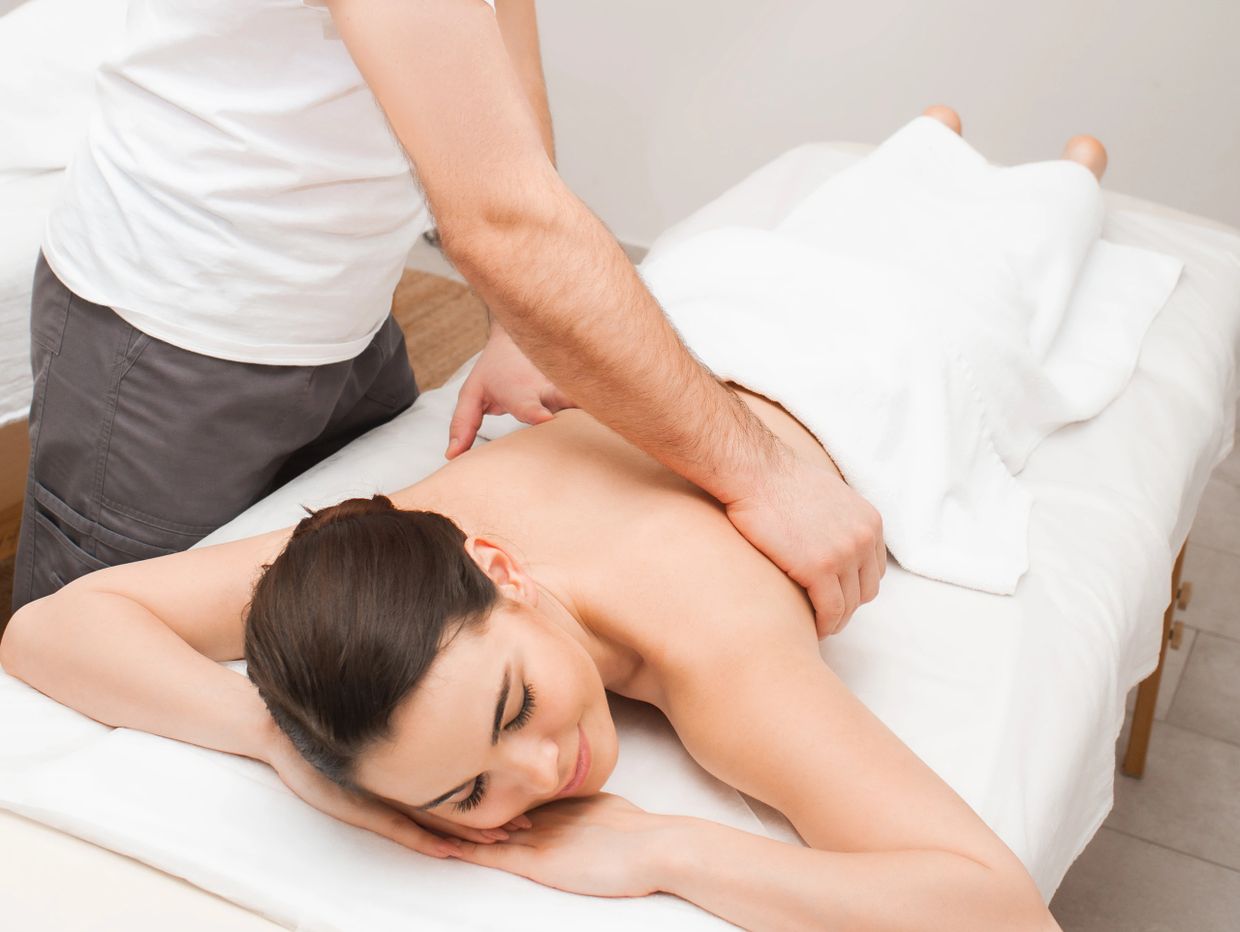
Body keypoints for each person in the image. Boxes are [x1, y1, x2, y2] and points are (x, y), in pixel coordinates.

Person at [0, 106, 1103, 932]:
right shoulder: (380, 560)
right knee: (883, 199)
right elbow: (49, 630)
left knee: (1035, 226)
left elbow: (992, 904)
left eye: (515, 701)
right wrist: (283, 744)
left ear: (497, 565)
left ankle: (1048, 168)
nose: (544, 771)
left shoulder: (715, 653)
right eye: (466, 792)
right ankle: (941, 142)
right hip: (705, 322)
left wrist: (665, 851)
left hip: (862, 351)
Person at [13, 0, 884, 638]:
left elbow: (503, 30)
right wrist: (763, 477)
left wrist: (518, 321)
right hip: (169, 334)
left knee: (329, 607)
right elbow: (499, 220)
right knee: (92, 663)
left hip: (342, 311)